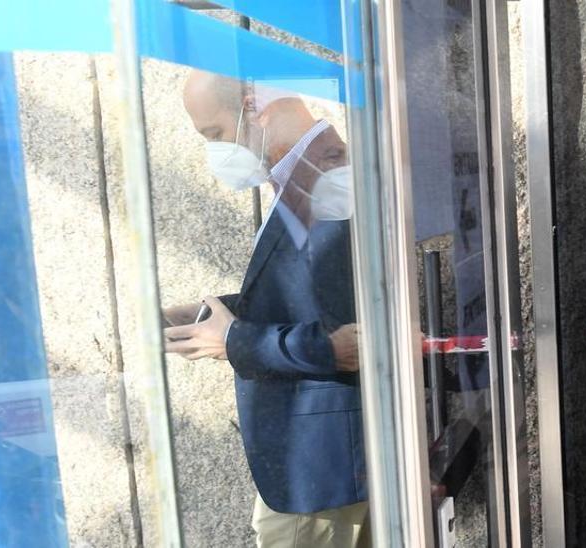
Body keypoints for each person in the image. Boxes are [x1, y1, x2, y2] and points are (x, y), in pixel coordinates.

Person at [162, 70, 369, 548]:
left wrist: (232, 339)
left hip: (319, 465)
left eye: (214, 133)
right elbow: (313, 299)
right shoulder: (309, 175)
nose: (215, 149)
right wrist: (213, 313)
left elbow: (348, 341)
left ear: (253, 103)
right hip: (325, 462)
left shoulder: (328, 183)